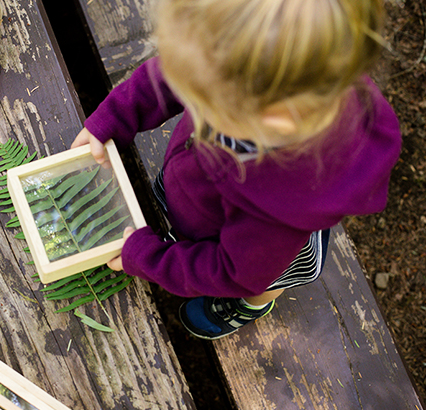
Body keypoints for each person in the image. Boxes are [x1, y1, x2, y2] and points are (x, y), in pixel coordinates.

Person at [71, 0, 401, 340]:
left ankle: (250, 306)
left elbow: (233, 271)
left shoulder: (278, 210)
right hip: (204, 198)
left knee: (262, 284)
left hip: (256, 260)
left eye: (200, 95)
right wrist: (115, 117)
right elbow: (173, 74)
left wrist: (149, 258)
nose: (187, 88)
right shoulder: (241, 76)